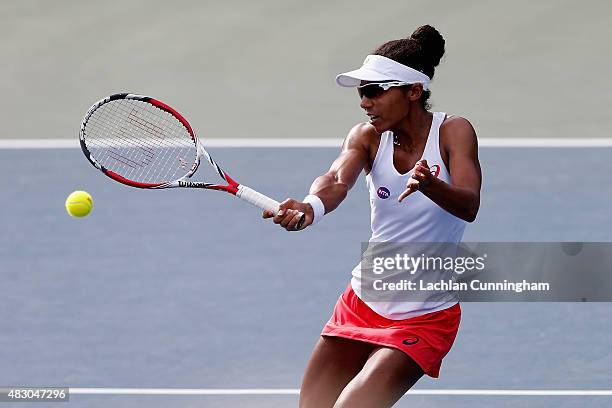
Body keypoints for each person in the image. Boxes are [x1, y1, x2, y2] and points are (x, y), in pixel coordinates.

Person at [263, 24, 482, 408]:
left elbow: (469, 204)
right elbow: (335, 179)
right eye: (363, 92)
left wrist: (432, 185)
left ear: (414, 92)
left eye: (375, 91)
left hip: (424, 315)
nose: (365, 102)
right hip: (361, 302)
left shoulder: (453, 131)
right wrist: (310, 205)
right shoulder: (365, 136)